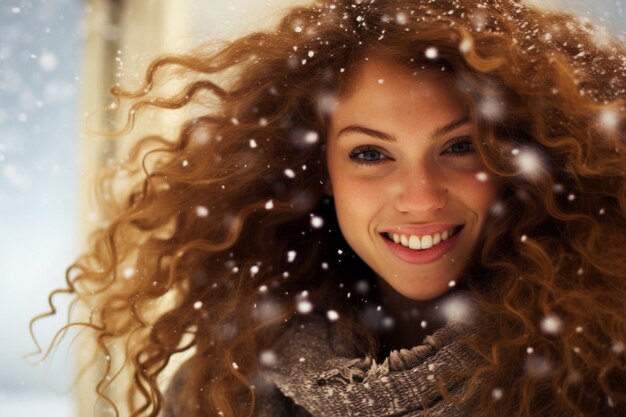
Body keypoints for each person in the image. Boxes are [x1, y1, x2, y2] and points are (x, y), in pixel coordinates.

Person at [33, 0, 625, 416]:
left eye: (460, 147)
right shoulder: (225, 384)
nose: (419, 196)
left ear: (520, 159)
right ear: (320, 172)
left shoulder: (602, 376)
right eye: (370, 153)